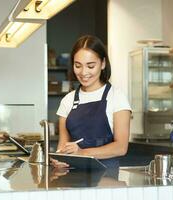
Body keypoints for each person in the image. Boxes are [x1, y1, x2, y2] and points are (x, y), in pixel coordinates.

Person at [52, 35, 132, 169]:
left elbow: (121, 147)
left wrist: (82, 153)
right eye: (78, 66)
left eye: (90, 66)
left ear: (103, 64)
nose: (84, 72)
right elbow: (62, 145)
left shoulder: (117, 97)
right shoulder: (68, 100)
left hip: (106, 179)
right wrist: (59, 158)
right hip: (73, 178)